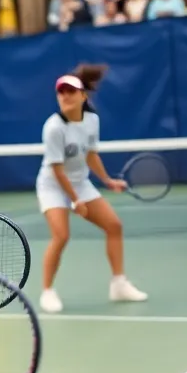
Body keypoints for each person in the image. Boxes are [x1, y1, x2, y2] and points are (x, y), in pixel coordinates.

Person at [35, 67, 148, 314]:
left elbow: (91, 155)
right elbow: (57, 170)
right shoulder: (53, 127)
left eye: (71, 92)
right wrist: (75, 201)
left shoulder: (92, 121)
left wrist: (107, 180)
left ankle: (119, 284)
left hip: (79, 182)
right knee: (61, 235)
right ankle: (47, 291)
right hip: (53, 186)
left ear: (83, 96)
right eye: (61, 92)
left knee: (114, 226)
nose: (65, 96)